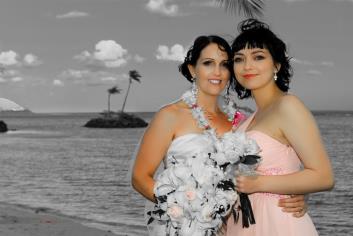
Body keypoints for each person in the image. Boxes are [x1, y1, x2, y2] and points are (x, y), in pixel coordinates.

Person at [131, 35, 307, 235]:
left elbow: (270, 167)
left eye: (224, 65)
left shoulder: (241, 121)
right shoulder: (169, 116)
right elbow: (140, 178)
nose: (217, 72)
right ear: (192, 69)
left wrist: (299, 195)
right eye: (208, 63)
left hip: (234, 227)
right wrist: (187, 212)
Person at [226, 19, 335, 236]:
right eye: (239, 59)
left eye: (258, 57)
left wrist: (259, 184)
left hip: (276, 223)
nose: (247, 66)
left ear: (276, 65)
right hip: (243, 223)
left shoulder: (288, 106)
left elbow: (324, 177)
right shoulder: (248, 119)